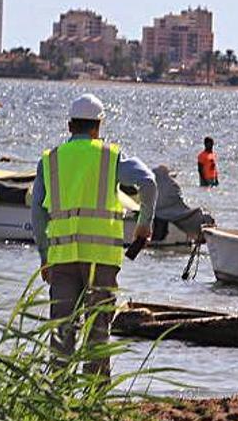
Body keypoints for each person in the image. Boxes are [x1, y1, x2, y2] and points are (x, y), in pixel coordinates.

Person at [31, 94, 157, 377]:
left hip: (62, 260)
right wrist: (144, 224)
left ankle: (56, 393)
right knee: (98, 331)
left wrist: (44, 257)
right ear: (98, 126)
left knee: (62, 331)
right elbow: (148, 182)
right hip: (101, 260)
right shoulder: (109, 157)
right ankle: (94, 396)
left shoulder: (50, 161)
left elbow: (37, 213)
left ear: (69, 125)